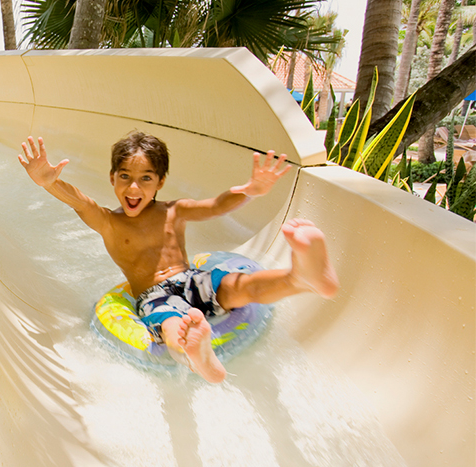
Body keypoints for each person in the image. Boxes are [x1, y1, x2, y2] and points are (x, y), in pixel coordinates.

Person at [17, 131, 339, 383]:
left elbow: (215, 206)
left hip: (192, 280)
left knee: (239, 286)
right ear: (112, 178)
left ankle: (300, 277)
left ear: (160, 182)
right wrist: (51, 182)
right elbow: (81, 202)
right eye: (125, 176)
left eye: (146, 178)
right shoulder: (109, 222)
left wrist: (250, 190)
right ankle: (192, 351)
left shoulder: (174, 211)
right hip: (153, 296)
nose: (134, 187)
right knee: (171, 323)